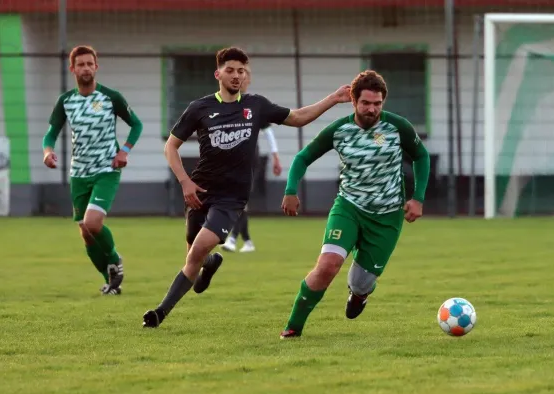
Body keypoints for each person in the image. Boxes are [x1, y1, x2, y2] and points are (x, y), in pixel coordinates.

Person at [142, 46, 350, 328]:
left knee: (198, 248)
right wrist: (185, 182)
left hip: (232, 197)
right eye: (230, 70)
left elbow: (298, 117)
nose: (236, 75)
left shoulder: (256, 106)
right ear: (218, 74)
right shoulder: (200, 108)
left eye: (241, 71)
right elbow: (171, 146)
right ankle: (209, 265)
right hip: (200, 191)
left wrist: (334, 99)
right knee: (194, 255)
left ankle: (159, 313)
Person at [279, 70, 431, 339]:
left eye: (377, 104)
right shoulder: (340, 130)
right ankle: (293, 327)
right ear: (353, 101)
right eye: (366, 103)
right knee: (327, 265)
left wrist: (417, 198)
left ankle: (359, 295)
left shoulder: (397, 127)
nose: (372, 109)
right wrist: (291, 190)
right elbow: (303, 157)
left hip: (387, 216)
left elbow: (420, 155)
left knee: (361, 283)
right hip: (348, 207)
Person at [42, 45, 143, 295]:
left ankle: (115, 260)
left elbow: (136, 125)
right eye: (81, 64)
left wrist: (124, 151)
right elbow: (51, 133)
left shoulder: (110, 97)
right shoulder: (66, 101)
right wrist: (47, 151)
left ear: (96, 67)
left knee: (93, 223)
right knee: (86, 234)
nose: (86, 68)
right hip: (79, 173)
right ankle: (110, 282)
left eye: (90, 64)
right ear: (72, 69)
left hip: (106, 169)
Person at [221, 65, 282, 253]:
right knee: (236, 201)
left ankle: (232, 239)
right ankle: (247, 241)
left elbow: (268, 132)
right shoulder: (224, 105)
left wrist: (275, 156)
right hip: (229, 160)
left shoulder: (253, 105)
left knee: (240, 201)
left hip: (248, 160)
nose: (239, 80)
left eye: (243, 77)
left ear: (247, 81)